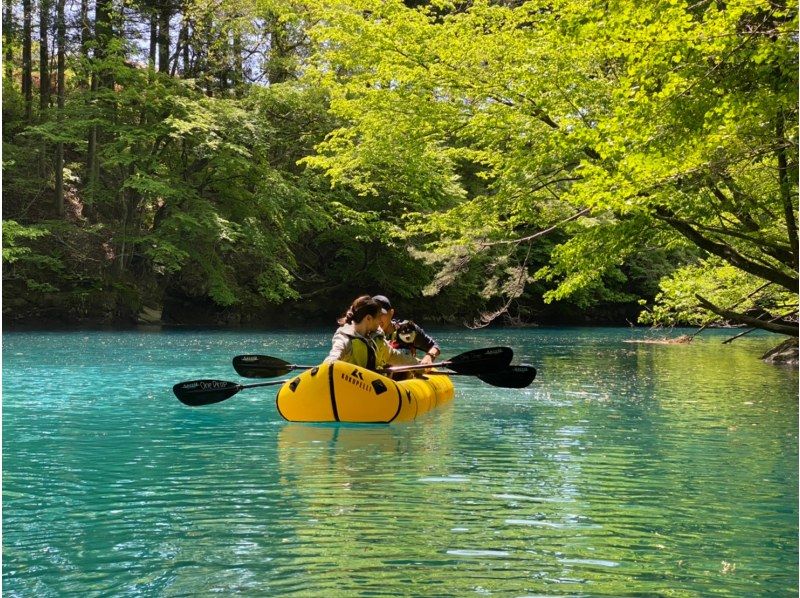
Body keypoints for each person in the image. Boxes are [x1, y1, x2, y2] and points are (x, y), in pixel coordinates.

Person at [324, 295, 416, 371]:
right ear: (368, 318)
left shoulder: (376, 338)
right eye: (379, 316)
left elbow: (393, 355)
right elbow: (334, 355)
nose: (380, 320)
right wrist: (328, 365)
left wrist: (418, 364)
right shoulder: (345, 339)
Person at [372, 295, 441, 366]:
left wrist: (429, 357)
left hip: (405, 374)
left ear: (391, 313)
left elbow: (434, 346)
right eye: (374, 314)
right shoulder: (367, 332)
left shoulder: (408, 330)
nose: (378, 318)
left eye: (382, 314)